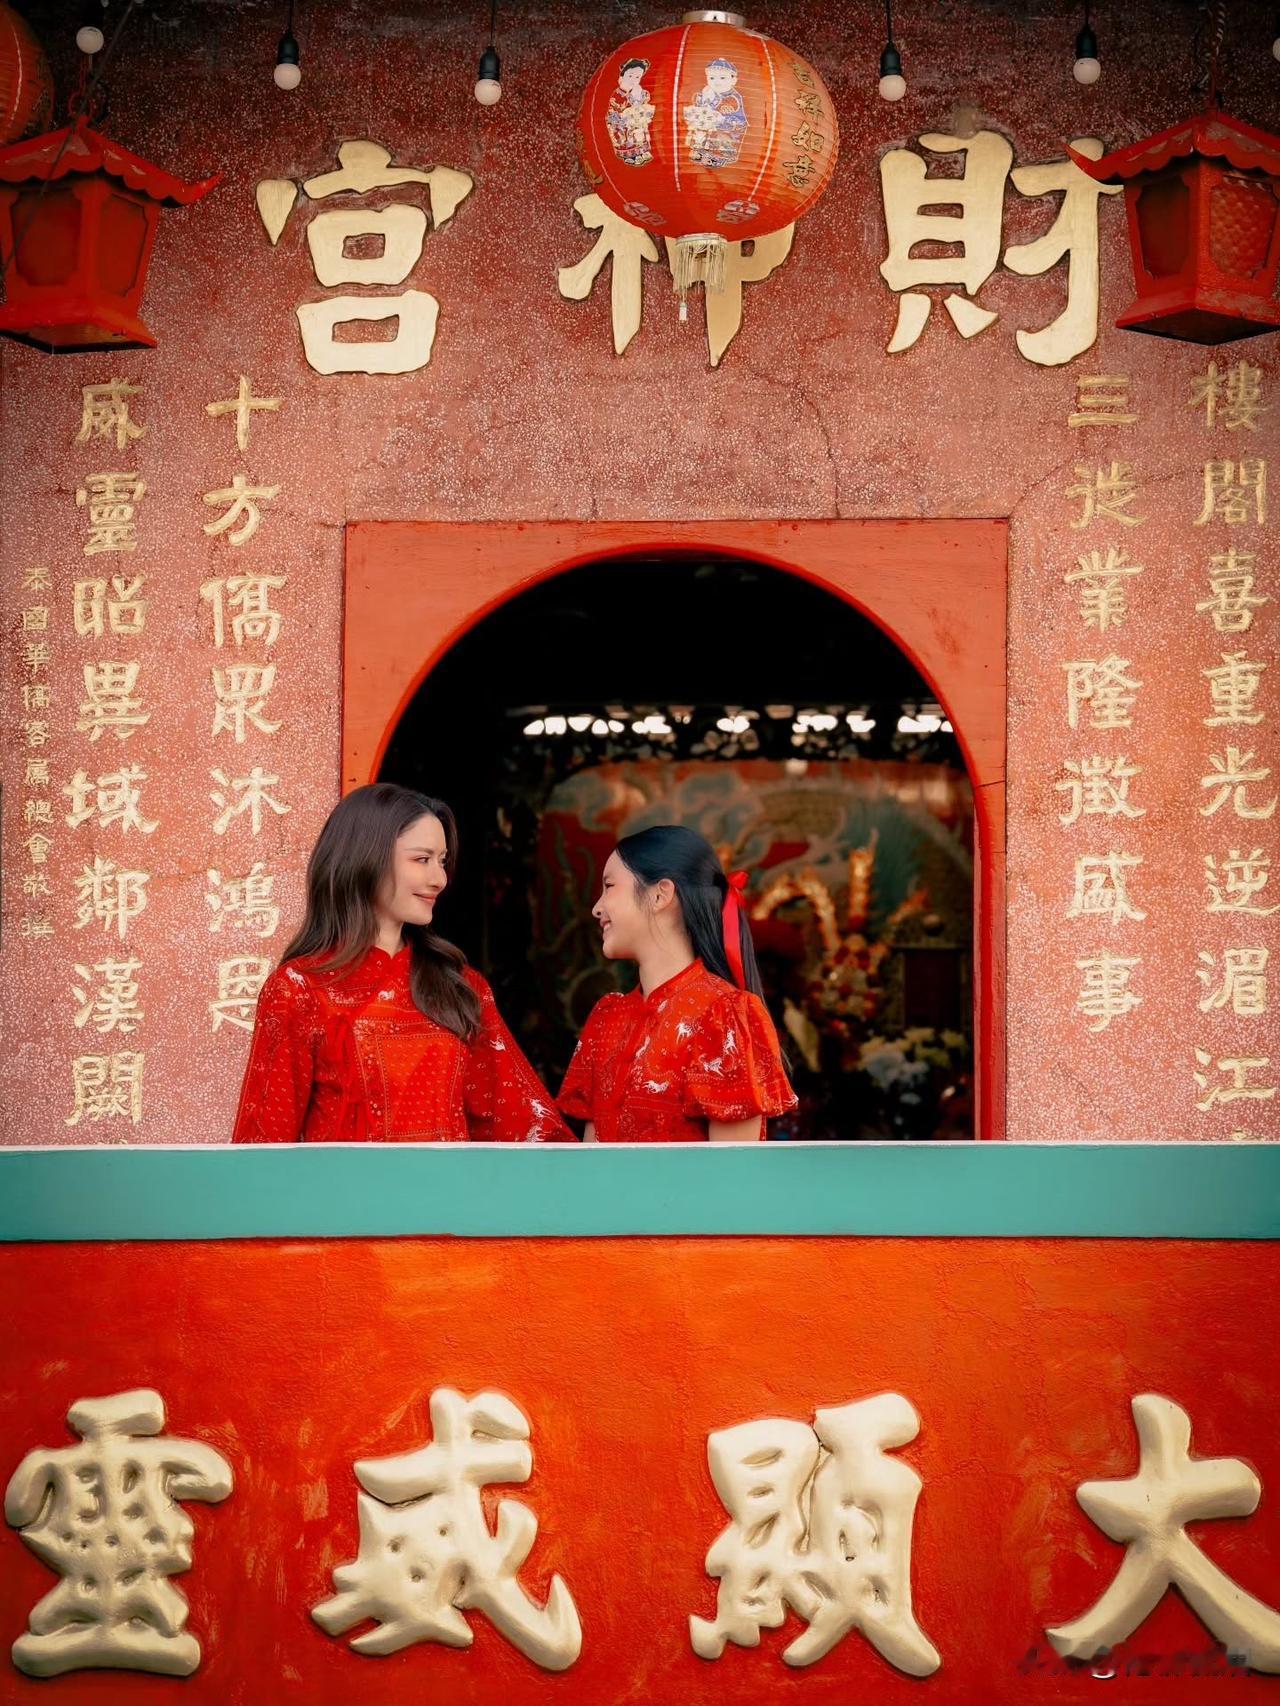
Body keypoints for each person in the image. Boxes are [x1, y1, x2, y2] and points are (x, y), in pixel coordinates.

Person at [232, 783, 569, 1143]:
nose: (439, 879)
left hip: (448, 1183)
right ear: (365, 857)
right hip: (343, 1183)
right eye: (422, 860)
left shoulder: (460, 986)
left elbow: (526, 1125)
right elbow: (262, 1146)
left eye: (442, 861)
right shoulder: (300, 988)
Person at [558, 825, 795, 1143]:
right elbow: (592, 1158)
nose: (597, 908)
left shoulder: (723, 1015)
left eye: (609, 886)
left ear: (660, 895)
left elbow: (733, 1170)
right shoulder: (607, 1018)